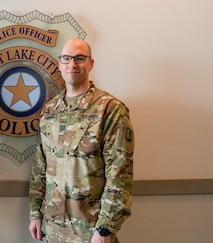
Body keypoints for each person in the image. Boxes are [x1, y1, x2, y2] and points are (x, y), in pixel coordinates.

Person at [28, 38, 135, 243]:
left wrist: (105, 230)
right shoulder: (50, 111)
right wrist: (35, 213)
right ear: (60, 64)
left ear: (91, 63)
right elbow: (40, 167)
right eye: (67, 59)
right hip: (53, 228)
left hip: (91, 230)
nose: (73, 64)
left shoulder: (110, 109)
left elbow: (120, 174)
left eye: (79, 58)